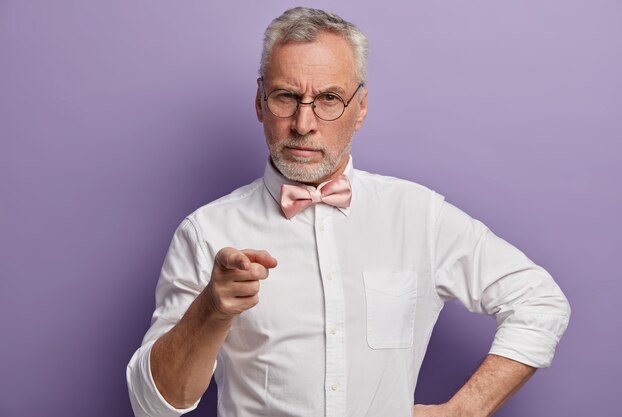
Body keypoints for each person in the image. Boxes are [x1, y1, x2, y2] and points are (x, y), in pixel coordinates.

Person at [127, 7, 570, 417]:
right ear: (260, 102)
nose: (304, 123)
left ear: (360, 109)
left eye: (329, 99)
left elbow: (540, 301)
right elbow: (153, 405)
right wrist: (211, 309)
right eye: (285, 96)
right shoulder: (206, 232)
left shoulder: (418, 216)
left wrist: (466, 408)